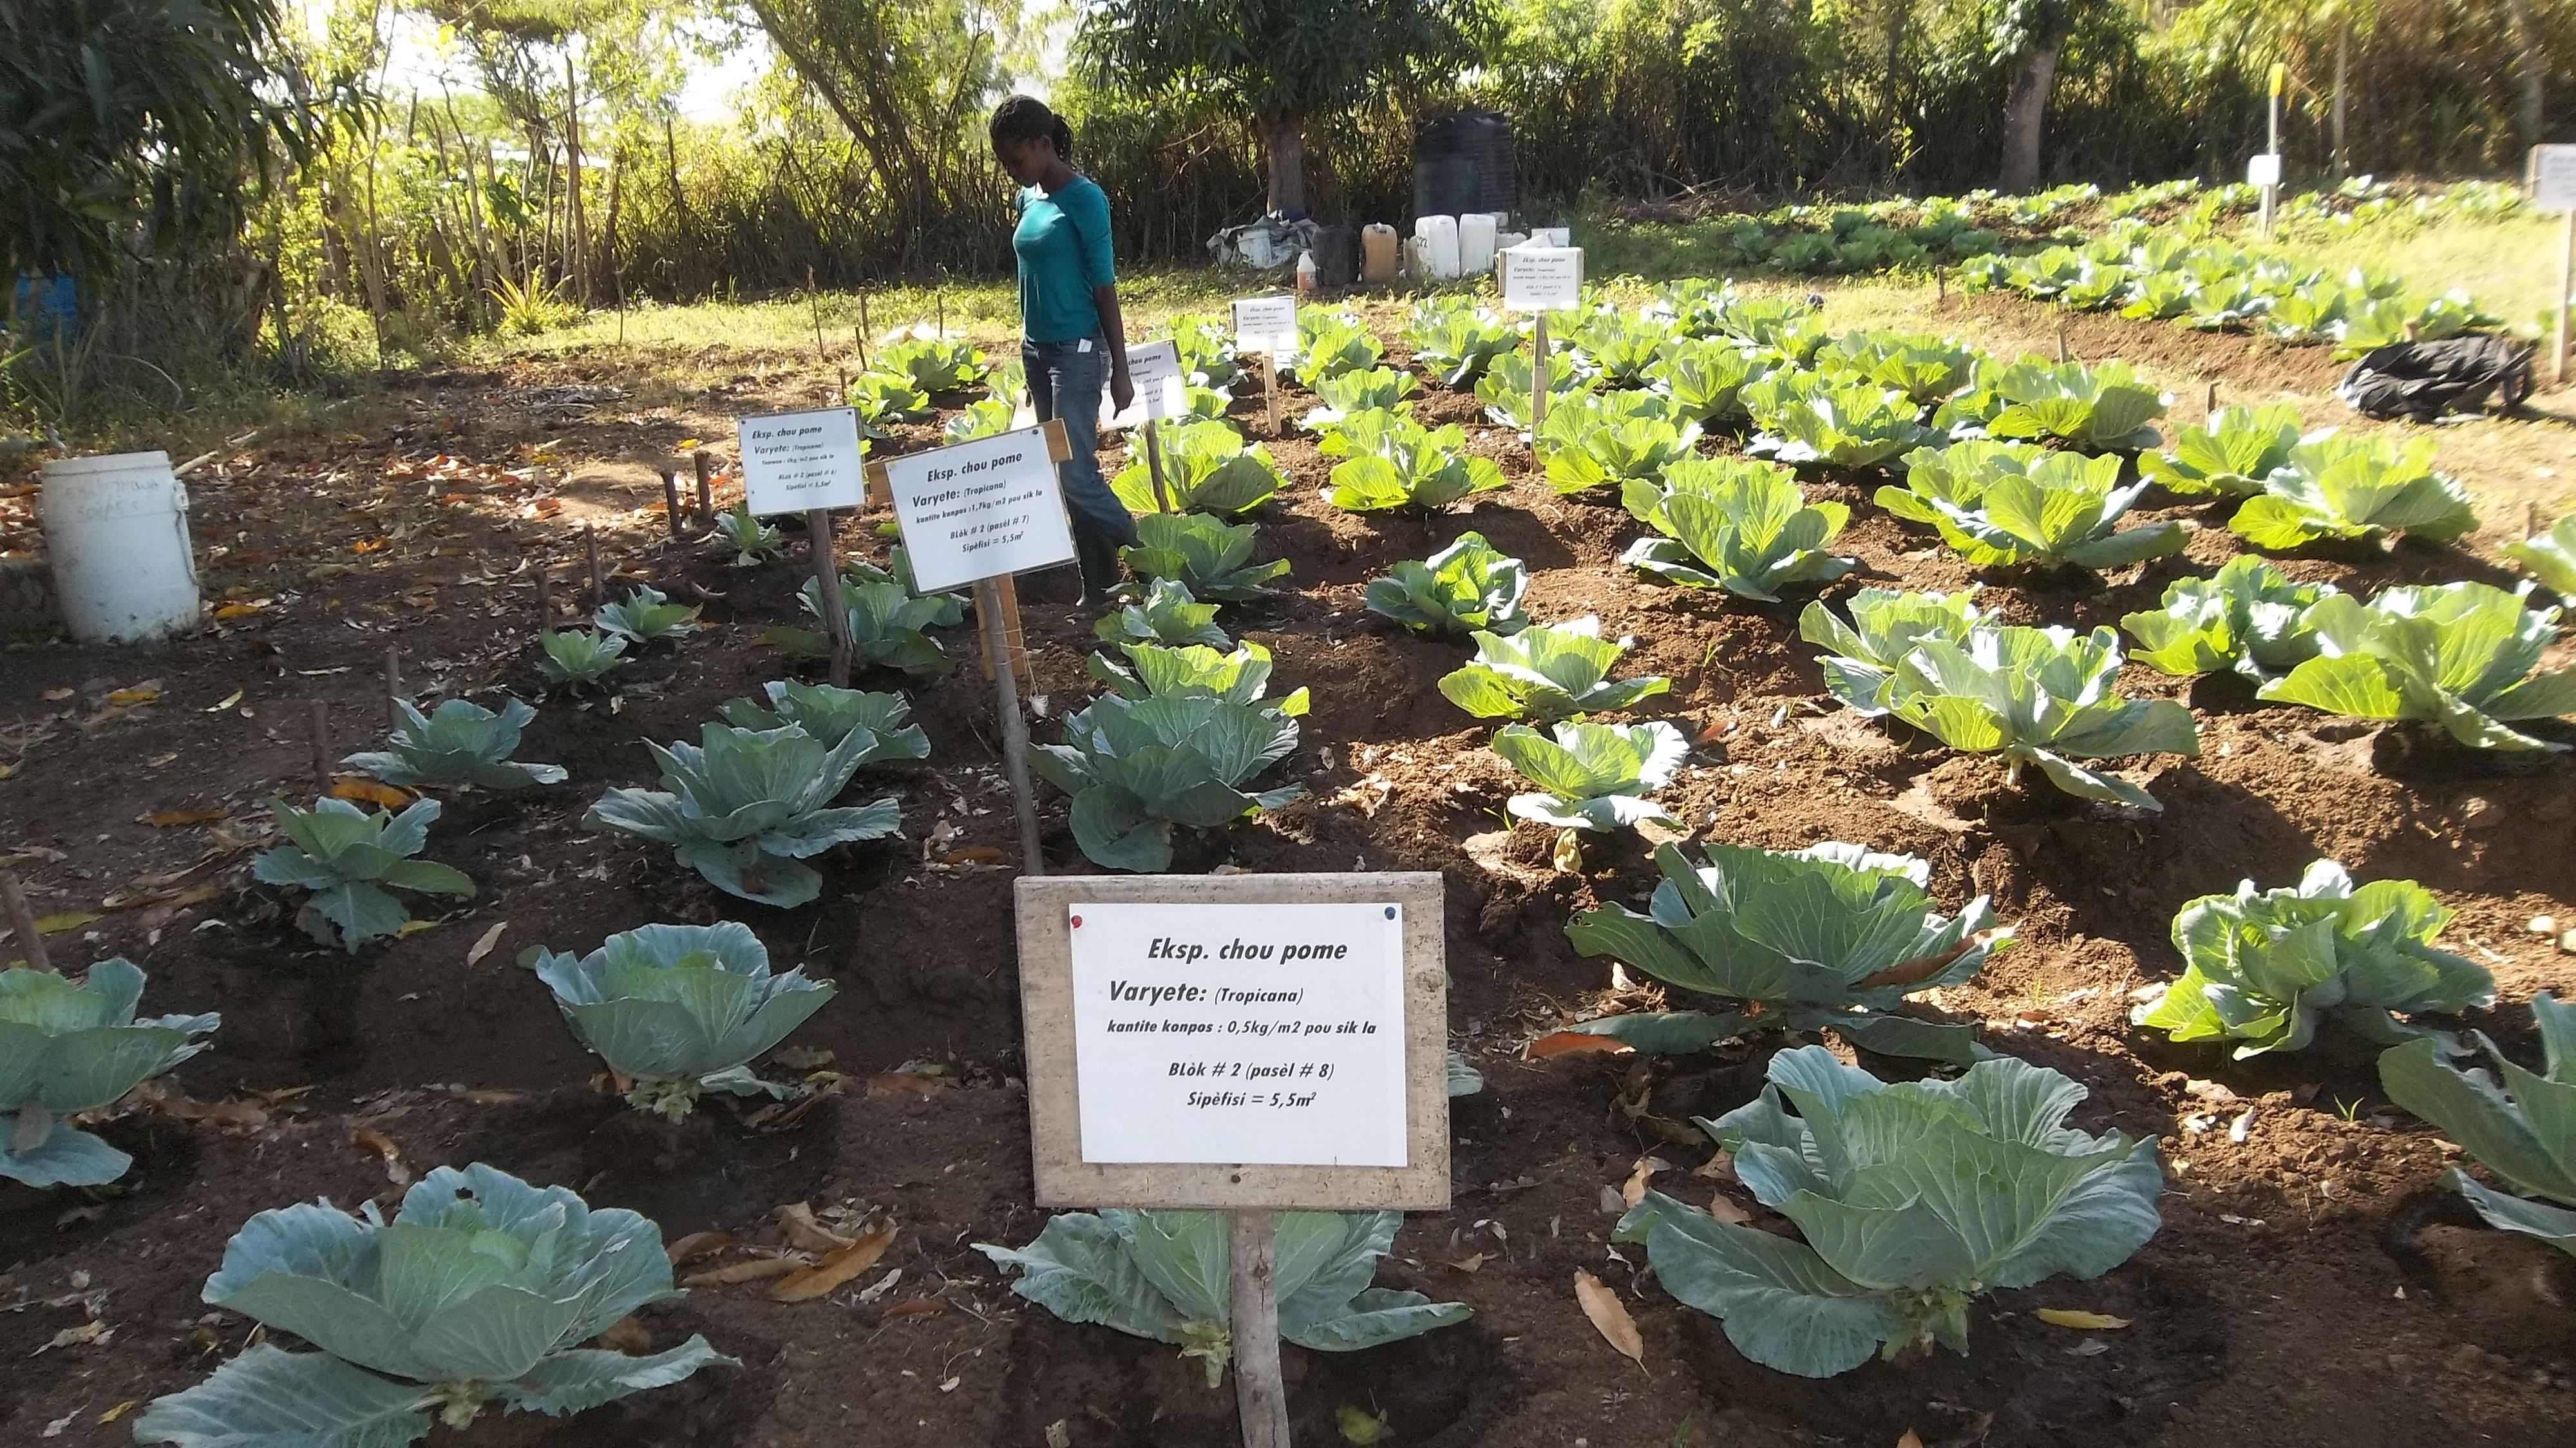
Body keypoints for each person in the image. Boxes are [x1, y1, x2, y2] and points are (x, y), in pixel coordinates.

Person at [989, 95, 1135, 604]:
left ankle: (1146, 547)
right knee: (1064, 469)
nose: (1011, 171)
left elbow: (1105, 287)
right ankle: (1099, 587)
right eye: (1004, 162)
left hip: (1078, 352)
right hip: (1037, 351)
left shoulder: (1086, 200)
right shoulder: (1027, 199)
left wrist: (1120, 369)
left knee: (1075, 472)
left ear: (1043, 144)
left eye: (1016, 159)